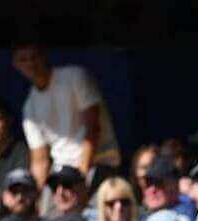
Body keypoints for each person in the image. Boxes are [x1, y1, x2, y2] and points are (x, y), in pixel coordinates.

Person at [11, 46, 119, 184]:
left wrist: (81, 178)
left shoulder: (76, 77)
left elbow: (93, 128)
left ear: (44, 55)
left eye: (34, 57)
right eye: (23, 59)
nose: (30, 63)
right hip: (62, 174)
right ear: (16, 65)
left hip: (100, 165)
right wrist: (36, 197)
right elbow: (40, 160)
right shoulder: (29, 107)